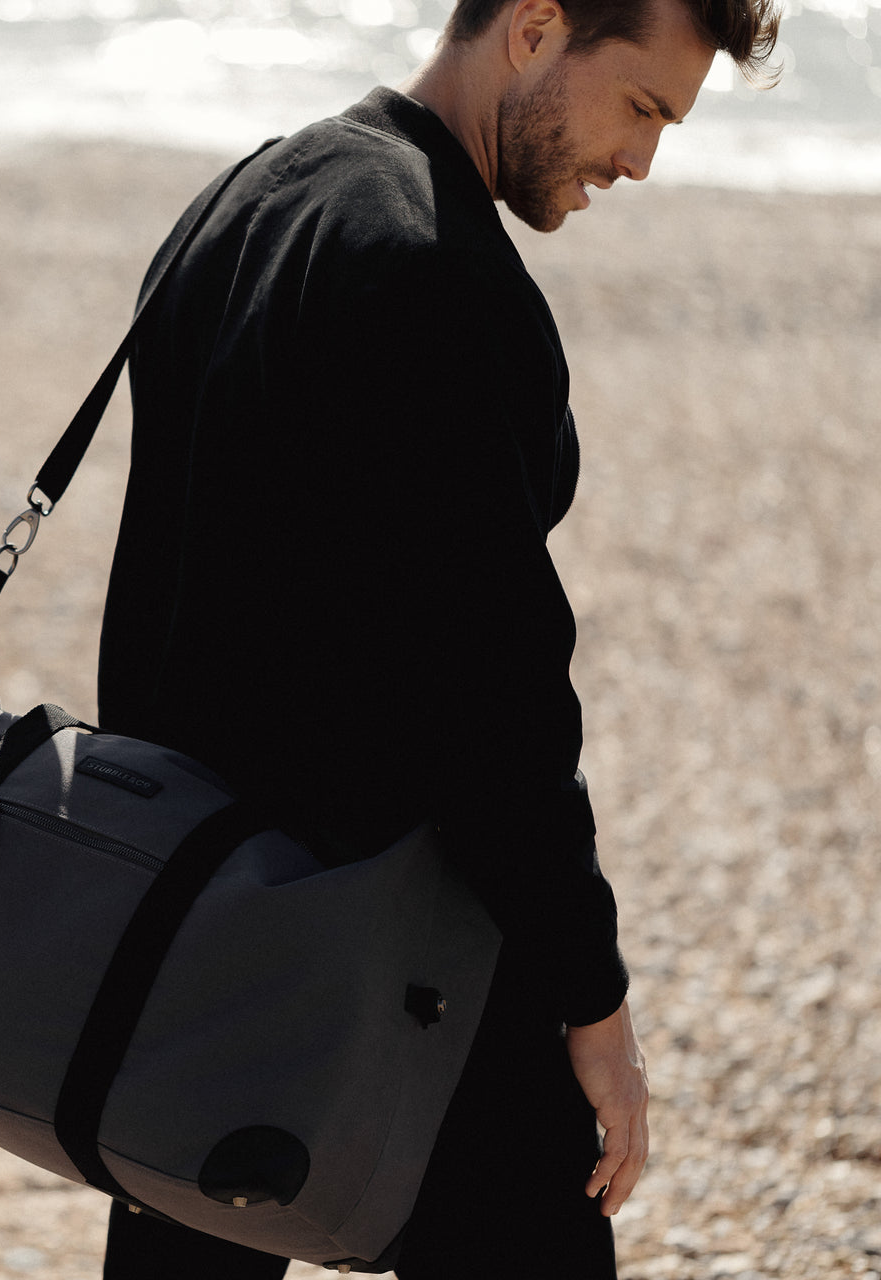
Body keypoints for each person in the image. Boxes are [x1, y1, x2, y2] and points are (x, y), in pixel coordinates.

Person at [96, 0, 780, 1275]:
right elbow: (496, 693)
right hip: (382, 951)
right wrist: (592, 995)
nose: (640, 164)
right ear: (532, 27)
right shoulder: (431, 268)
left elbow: (166, 587)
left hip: (192, 917)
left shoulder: (248, 196)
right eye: (638, 108)